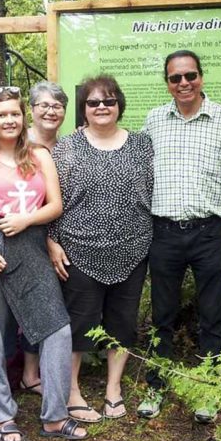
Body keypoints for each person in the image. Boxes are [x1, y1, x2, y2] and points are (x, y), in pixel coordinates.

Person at [0, 87, 86, 441]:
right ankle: (2, 414)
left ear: (23, 117)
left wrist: (26, 220)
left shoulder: (39, 155)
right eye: (1, 114)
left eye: (15, 114)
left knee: (56, 328)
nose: (9, 120)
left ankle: (55, 416)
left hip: (30, 243)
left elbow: (55, 205)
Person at [139, 49, 221, 422]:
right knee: (162, 314)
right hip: (164, 232)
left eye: (190, 75)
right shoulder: (154, 120)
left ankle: (209, 388)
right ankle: (156, 386)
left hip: (209, 233)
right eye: (176, 78)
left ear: (201, 77)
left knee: (212, 314)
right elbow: (137, 168)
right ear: (167, 83)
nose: (184, 83)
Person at [49, 75, 154, 422]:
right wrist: (52, 240)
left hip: (132, 248)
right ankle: (72, 391)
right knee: (78, 321)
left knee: (123, 322)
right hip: (78, 250)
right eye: (93, 102)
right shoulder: (66, 147)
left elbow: (153, 191)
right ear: (84, 109)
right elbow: (53, 197)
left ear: (119, 105)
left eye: (108, 101)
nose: (102, 107)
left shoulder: (142, 144)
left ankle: (113, 388)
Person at [15, 81, 70, 395]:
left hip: (64, 236)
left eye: (57, 106)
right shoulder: (18, 144)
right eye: (44, 105)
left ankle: (48, 370)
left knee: (53, 306)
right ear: (32, 109)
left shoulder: (68, 146)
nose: (51, 111)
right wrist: (47, 240)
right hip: (26, 237)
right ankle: (28, 373)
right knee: (30, 305)